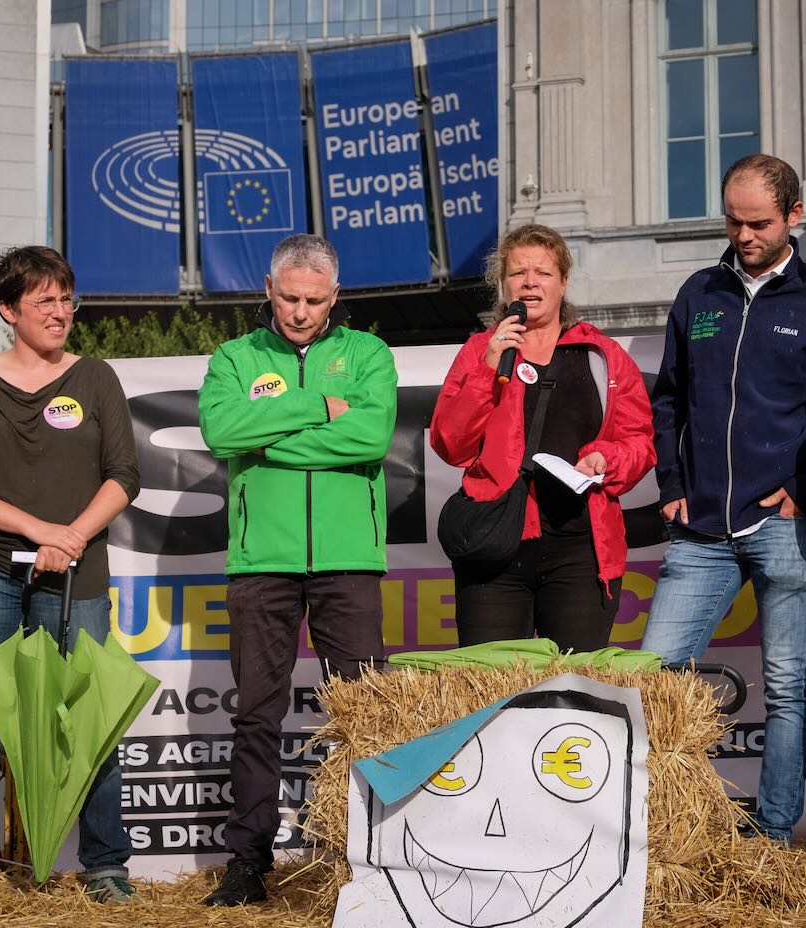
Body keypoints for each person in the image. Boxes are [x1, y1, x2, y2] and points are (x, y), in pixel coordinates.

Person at [0, 246, 141, 903]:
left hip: (76, 573)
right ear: (8, 310)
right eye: (44, 301)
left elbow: (124, 475)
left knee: (87, 719)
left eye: (67, 298)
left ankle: (108, 868)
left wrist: (74, 535)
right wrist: (38, 529)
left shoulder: (96, 378)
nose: (60, 313)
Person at [640, 154, 806, 845]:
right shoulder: (699, 292)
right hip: (700, 528)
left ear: (794, 216)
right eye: (733, 220)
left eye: (758, 222)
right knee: (659, 681)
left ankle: (774, 833)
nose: (744, 234)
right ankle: (673, 830)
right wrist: (671, 487)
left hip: (784, 525)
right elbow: (667, 400)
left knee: (786, 688)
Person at [197, 234, 397, 906]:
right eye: (289, 298)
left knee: (366, 712)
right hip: (261, 563)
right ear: (268, 288)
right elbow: (223, 433)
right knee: (257, 714)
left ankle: (371, 859)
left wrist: (269, 435)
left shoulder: (366, 354)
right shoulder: (235, 357)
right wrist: (315, 408)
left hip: (348, 562)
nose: (301, 312)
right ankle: (248, 862)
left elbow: (370, 437)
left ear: (334, 297)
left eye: (314, 300)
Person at [430, 223, 655, 652]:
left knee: (574, 689)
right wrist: (487, 368)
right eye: (518, 272)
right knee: (492, 692)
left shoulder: (603, 355)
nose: (530, 282)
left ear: (563, 282)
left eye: (543, 272)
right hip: (495, 549)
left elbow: (639, 439)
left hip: (580, 549)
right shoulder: (481, 350)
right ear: (504, 285)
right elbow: (449, 442)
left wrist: (606, 458)